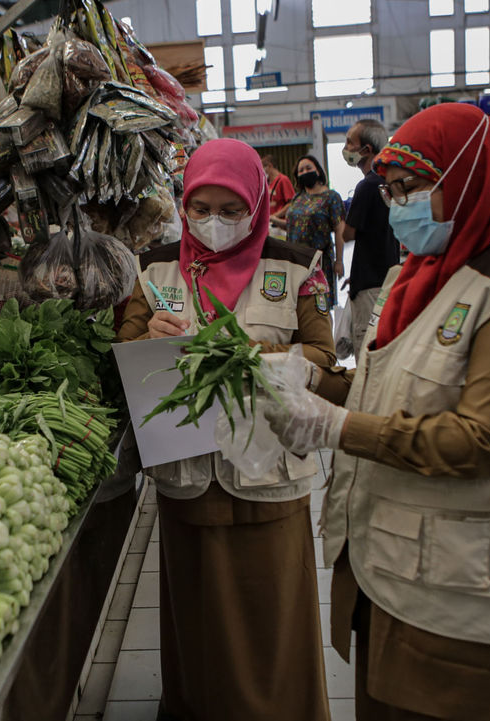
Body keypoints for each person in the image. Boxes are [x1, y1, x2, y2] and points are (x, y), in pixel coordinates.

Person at [261, 104, 490, 721]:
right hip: (396, 575)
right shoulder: (421, 275)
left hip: (473, 601)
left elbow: (489, 440)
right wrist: (317, 378)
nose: (396, 205)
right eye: (389, 190)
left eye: (412, 188)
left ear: (470, 178)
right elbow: (395, 384)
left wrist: (338, 429)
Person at [116, 138, 334, 721]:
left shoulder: (294, 265)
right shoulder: (154, 268)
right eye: (201, 208)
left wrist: (254, 354)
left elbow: (324, 356)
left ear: (258, 204)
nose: (214, 223)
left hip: (269, 475)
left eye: (232, 209)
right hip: (187, 474)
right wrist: (149, 343)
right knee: (200, 624)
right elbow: (122, 356)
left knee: (274, 619)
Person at [341, 118, 401, 355]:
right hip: (386, 279)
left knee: (366, 353)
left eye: (350, 142)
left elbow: (348, 233)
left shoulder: (366, 187)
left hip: (369, 289)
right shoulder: (387, 184)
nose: (346, 148)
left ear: (366, 149)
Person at [276, 155, 346, 309]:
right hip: (295, 261)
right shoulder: (298, 198)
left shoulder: (331, 197)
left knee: (320, 306)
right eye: (301, 170)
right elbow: (292, 225)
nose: (305, 172)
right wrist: (273, 220)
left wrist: (339, 261)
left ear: (318, 171)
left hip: (318, 262)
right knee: (299, 306)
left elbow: (340, 228)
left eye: (308, 168)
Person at [262, 153, 296, 218]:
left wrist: (274, 216)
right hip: (270, 222)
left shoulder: (283, 180)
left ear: (270, 166)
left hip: (280, 222)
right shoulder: (266, 182)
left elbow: (291, 204)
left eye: (262, 167)